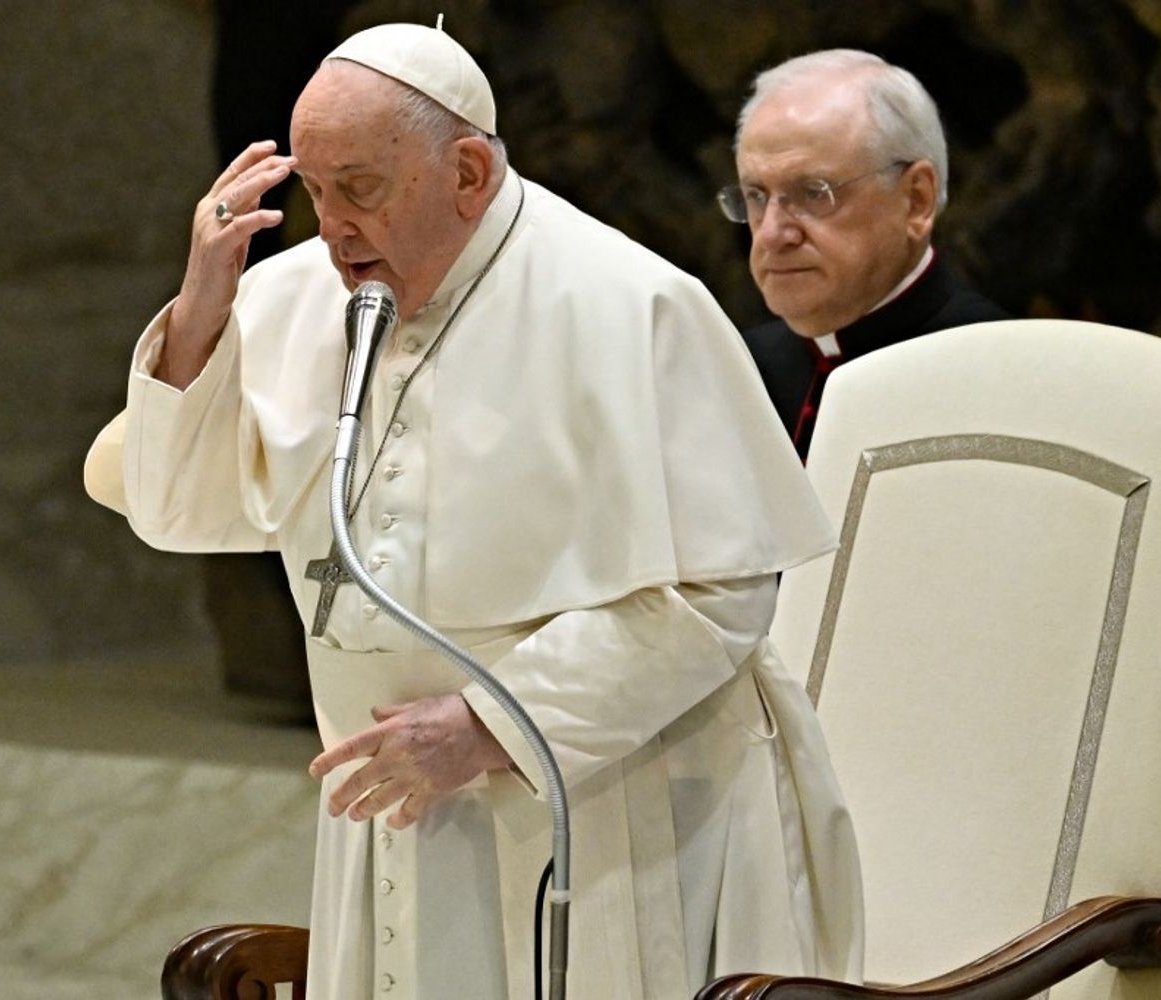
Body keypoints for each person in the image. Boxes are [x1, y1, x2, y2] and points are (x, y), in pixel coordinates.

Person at [83, 22, 862, 1000]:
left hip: (613, 806)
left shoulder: (627, 305)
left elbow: (723, 592)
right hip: (398, 812)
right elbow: (177, 511)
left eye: (360, 187)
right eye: (313, 191)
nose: (331, 227)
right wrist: (202, 312)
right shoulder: (293, 296)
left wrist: (490, 725)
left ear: (465, 172)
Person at [724, 50, 1008, 460]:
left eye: (813, 193)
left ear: (916, 200)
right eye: (756, 196)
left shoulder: (1005, 374)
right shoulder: (736, 371)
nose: (771, 234)